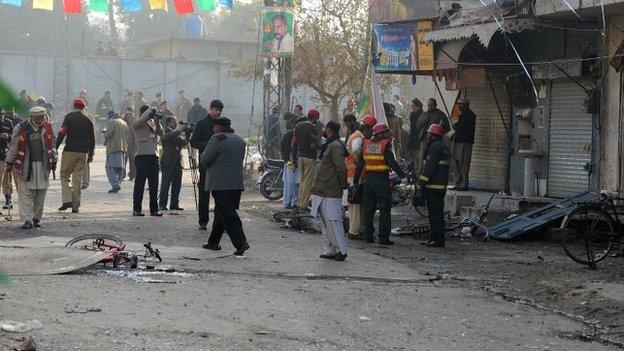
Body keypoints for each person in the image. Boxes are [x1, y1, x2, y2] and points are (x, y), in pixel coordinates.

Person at [200, 117, 250, 256]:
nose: (213, 129)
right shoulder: (239, 140)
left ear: (220, 127)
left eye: (215, 126)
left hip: (220, 183)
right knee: (221, 212)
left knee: (228, 214)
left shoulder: (217, 138)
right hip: (236, 183)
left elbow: (205, 159)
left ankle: (241, 243)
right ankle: (213, 242)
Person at [353, 123, 407, 245]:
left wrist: (355, 182)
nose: (388, 135)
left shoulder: (366, 144)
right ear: (381, 133)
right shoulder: (384, 144)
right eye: (386, 132)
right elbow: (392, 163)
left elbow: (360, 165)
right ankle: (383, 238)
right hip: (381, 180)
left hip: (368, 180)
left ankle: (368, 237)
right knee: (384, 209)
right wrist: (403, 176)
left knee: (368, 210)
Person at [5, 107, 57, 229]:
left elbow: (53, 145)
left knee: (41, 193)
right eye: (38, 118)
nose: (40, 120)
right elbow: (13, 147)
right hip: (25, 166)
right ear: (31, 117)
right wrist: (9, 162)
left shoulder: (48, 127)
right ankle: (27, 219)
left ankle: (37, 218)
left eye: (42, 117)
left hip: (43, 166)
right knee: (25, 194)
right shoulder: (20, 128)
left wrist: (54, 159)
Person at [311, 121, 349, 261]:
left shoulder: (335, 146)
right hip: (322, 190)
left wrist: (343, 184)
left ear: (328, 129)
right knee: (326, 223)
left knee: (333, 221)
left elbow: (340, 168)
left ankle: (342, 250)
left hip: (331, 190)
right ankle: (330, 250)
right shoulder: (329, 145)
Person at [56, 98, 95, 214]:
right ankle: (75, 206)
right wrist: (91, 154)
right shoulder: (88, 119)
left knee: (64, 175)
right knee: (77, 179)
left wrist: (55, 146)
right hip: (83, 152)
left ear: (74, 106)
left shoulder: (69, 117)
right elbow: (93, 138)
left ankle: (67, 199)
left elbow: (62, 132)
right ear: (84, 107)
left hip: (70, 151)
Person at [190, 99, 223, 230]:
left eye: (220, 111)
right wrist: (210, 146)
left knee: (220, 195)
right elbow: (194, 142)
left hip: (220, 164)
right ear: (210, 109)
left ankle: (219, 221)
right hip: (205, 164)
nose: (218, 113)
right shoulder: (202, 124)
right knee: (204, 194)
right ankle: (203, 221)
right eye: (216, 110)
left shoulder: (222, 124)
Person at [344, 114, 376, 240]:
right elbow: (357, 150)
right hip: (354, 175)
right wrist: (360, 163)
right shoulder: (358, 137)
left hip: (354, 174)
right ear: (368, 128)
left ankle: (359, 229)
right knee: (355, 205)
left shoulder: (356, 135)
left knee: (358, 204)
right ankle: (354, 231)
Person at [418, 124, 451, 247]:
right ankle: (434, 238)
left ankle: (437, 240)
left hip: (433, 186)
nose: (427, 135)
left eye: (429, 133)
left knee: (434, 214)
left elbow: (430, 166)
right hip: (440, 186)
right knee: (437, 213)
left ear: (432, 135)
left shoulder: (435, 147)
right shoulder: (443, 146)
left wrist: (421, 181)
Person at [132, 106, 164, 217]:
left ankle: (154, 210)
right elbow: (140, 121)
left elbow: (161, 134)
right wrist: (150, 110)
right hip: (142, 156)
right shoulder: (137, 122)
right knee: (139, 185)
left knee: (154, 185)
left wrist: (157, 122)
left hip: (153, 156)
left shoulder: (152, 122)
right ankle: (137, 209)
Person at [291, 109, 321, 211]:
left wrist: (294, 159)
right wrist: (320, 147)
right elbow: (313, 145)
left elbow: (294, 144)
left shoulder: (298, 126)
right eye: (317, 118)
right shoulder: (313, 128)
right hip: (309, 157)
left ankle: (300, 202)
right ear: (315, 118)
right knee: (308, 182)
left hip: (300, 157)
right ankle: (303, 205)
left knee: (302, 180)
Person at [159, 115, 186, 211]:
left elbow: (183, 143)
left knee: (177, 184)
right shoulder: (165, 131)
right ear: (169, 123)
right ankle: (162, 204)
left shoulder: (176, 133)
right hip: (168, 161)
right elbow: (165, 138)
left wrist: (187, 134)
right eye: (174, 121)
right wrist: (179, 131)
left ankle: (174, 204)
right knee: (166, 184)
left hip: (177, 161)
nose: (175, 123)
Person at [280, 114, 305, 209]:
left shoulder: (302, 135)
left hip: (299, 162)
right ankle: (287, 203)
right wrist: (288, 160)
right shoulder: (289, 135)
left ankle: (295, 202)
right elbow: (283, 148)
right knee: (290, 183)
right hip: (290, 162)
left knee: (298, 183)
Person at [452, 98, 476, 191]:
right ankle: (458, 183)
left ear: (466, 105)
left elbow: (465, 129)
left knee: (464, 164)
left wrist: (457, 126)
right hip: (458, 141)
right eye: (458, 104)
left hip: (465, 142)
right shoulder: (460, 114)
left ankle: (464, 185)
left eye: (461, 105)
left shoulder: (470, 115)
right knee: (457, 163)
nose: (459, 106)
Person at [103, 111, 129, 193]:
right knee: (120, 168)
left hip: (113, 148)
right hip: (122, 148)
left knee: (110, 167)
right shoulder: (124, 123)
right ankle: (118, 183)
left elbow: (108, 134)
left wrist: (104, 134)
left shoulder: (111, 122)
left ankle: (115, 185)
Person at [2, 107, 21, 209]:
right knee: (6, 179)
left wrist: (8, 136)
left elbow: (16, 137)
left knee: (18, 179)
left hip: (14, 154)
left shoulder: (14, 122)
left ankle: (22, 200)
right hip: (4, 155)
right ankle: (8, 200)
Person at [0, 109, 13, 212]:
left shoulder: (9, 123)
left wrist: (8, 136)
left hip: (4, 155)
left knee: (7, 179)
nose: (1, 116)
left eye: (2, 114)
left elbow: (15, 138)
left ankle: (8, 201)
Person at [406, 98, 424, 172]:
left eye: (413, 106)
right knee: (412, 158)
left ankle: (417, 173)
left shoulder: (421, 115)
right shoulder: (413, 115)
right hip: (413, 138)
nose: (412, 107)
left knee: (417, 158)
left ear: (418, 106)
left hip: (418, 139)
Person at [121, 107, 137, 180]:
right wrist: (121, 118)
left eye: (130, 114)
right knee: (124, 159)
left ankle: (132, 175)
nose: (128, 116)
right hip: (124, 143)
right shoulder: (122, 121)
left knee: (133, 159)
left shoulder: (135, 121)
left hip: (133, 143)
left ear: (132, 114)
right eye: (127, 114)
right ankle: (122, 174)